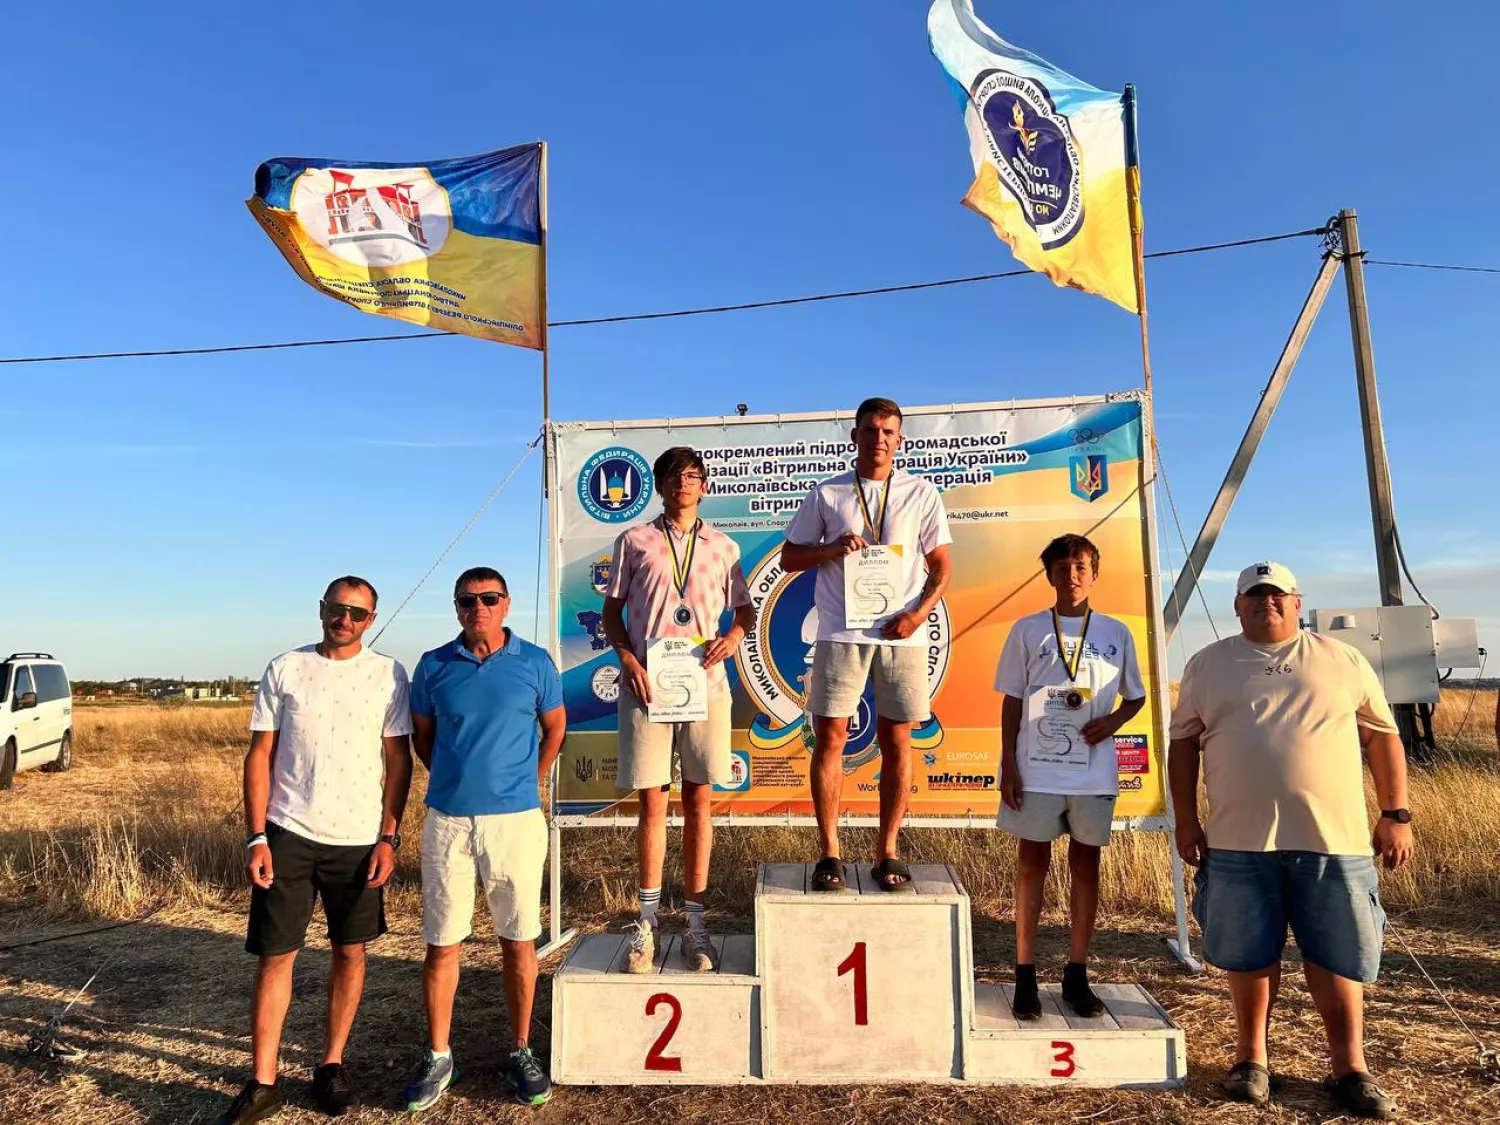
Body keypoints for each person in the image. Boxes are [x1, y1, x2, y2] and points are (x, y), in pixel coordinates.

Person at [1169, 561, 1414, 1119]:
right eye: (1255, 595)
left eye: (1277, 594)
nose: (1267, 602)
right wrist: (1186, 820)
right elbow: (1183, 744)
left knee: (1336, 956)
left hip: (1334, 840)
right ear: (1237, 606)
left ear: (1297, 603)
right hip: (1237, 841)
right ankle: (1251, 1060)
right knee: (1249, 954)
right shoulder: (1208, 664)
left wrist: (1395, 813)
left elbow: (1382, 736)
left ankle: (1349, 1068)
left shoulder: (1341, 659)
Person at [219, 577, 413, 1124]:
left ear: (371, 620)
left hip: (358, 840)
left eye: (358, 612)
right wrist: (256, 836)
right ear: (322, 609)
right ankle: (263, 1082)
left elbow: (399, 761)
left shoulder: (389, 674)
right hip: (288, 833)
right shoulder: (285, 668)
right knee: (276, 955)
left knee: (350, 951)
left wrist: (388, 837)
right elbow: (260, 754)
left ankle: (331, 1065)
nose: (345, 619)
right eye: (337, 608)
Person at [402, 568, 566, 1111]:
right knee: (442, 943)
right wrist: (455, 780)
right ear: (456, 607)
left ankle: (520, 1049)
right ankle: (438, 1055)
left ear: (506, 604)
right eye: (467, 600)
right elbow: (423, 738)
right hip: (448, 822)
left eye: (489, 598)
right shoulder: (433, 665)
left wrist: (529, 780)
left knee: (518, 940)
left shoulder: (535, 663)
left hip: (516, 822)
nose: (479, 608)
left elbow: (555, 727)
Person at [781, 397, 952, 892]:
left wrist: (917, 615)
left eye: (888, 432)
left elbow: (942, 566)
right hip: (841, 631)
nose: (879, 439)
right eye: (871, 430)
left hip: (902, 634)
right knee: (830, 737)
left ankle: (888, 852)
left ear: (899, 439)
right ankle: (829, 853)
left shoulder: (921, 493)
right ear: (854, 435)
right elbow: (790, 558)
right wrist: (831, 548)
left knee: (897, 740)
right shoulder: (828, 493)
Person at [602, 446, 756, 973]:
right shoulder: (634, 540)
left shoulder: (725, 546)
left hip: (705, 685)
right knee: (652, 804)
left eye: (692, 476)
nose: (683, 483)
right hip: (647, 685)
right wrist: (628, 659)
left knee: (699, 803)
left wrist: (733, 638)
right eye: (673, 475)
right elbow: (611, 611)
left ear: (704, 486)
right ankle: (646, 924)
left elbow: (744, 610)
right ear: (659, 484)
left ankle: (695, 924)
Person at [996, 534, 1145, 1020]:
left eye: (1081, 567)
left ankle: (1077, 974)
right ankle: (1025, 974)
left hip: (1092, 772)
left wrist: (1113, 722)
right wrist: (1009, 764)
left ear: (1095, 574)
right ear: (1050, 576)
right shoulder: (1028, 629)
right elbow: (1012, 699)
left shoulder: (1116, 632)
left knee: (1086, 867)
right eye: (1062, 568)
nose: (1072, 576)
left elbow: (1136, 696)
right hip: (1037, 769)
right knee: (1030, 865)